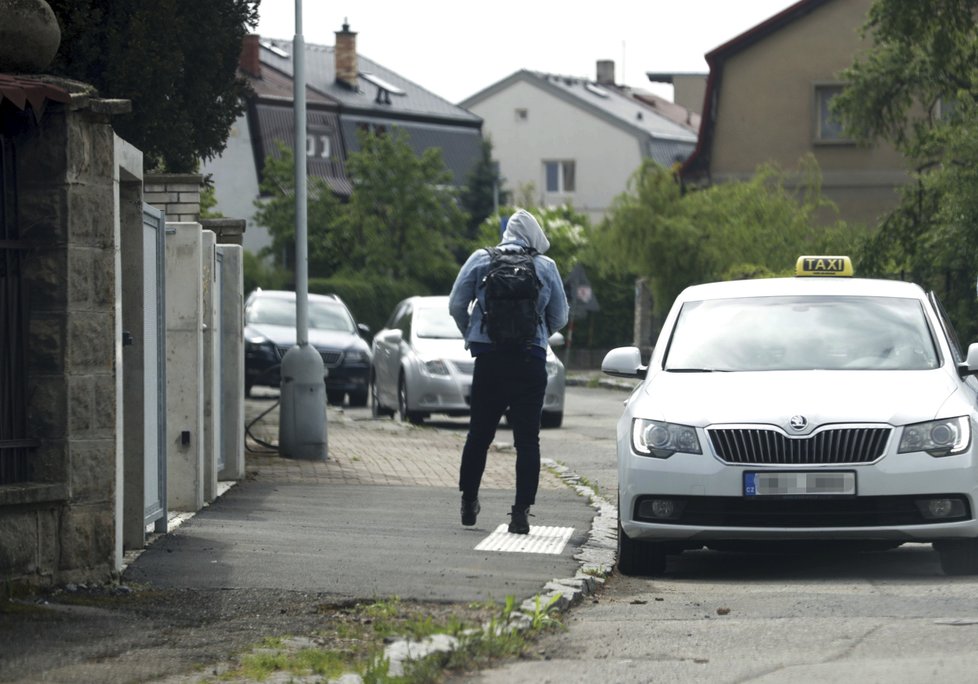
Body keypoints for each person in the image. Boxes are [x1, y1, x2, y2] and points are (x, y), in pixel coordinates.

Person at [448, 208, 569, 534]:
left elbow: (455, 305)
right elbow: (561, 316)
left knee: (479, 436)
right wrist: (539, 332)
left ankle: (469, 501)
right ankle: (520, 513)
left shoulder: (480, 259)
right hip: (530, 361)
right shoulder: (546, 266)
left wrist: (472, 333)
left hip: (490, 360)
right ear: (534, 236)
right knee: (528, 440)